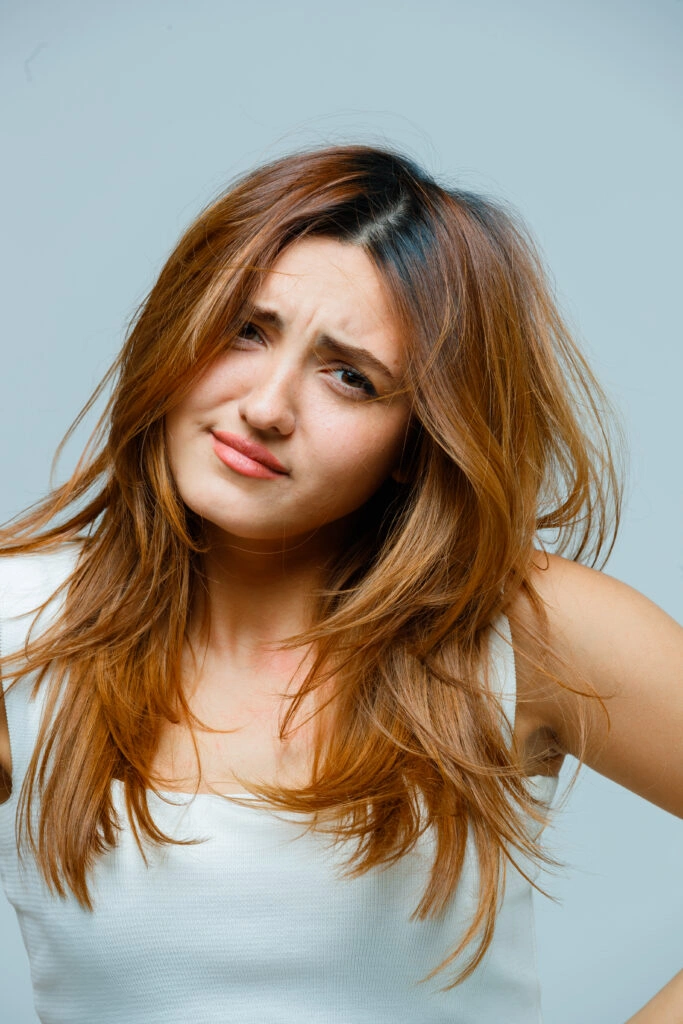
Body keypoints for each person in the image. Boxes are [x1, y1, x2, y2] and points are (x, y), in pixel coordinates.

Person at [0, 144, 680, 1024]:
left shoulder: (519, 626)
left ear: (417, 442)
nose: (266, 407)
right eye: (246, 330)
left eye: (350, 377)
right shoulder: (23, 623)